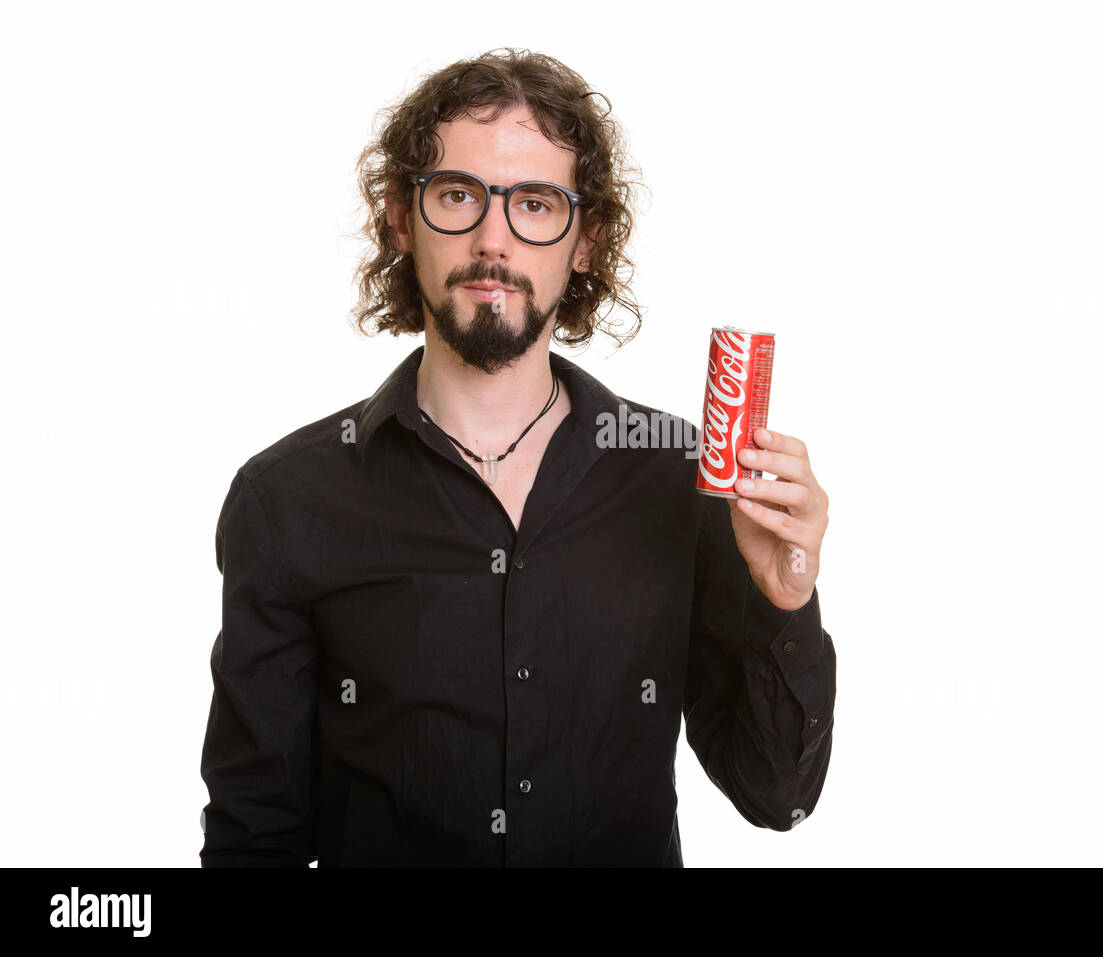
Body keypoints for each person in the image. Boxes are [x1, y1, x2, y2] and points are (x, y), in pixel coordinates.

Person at [199, 48, 835, 867]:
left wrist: (782, 602)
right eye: (459, 195)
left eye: (535, 204)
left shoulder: (678, 477)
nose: (493, 240)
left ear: (585, 241)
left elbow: (775, 793)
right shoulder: (286, 501)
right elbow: (256, 837)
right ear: (401, 216)